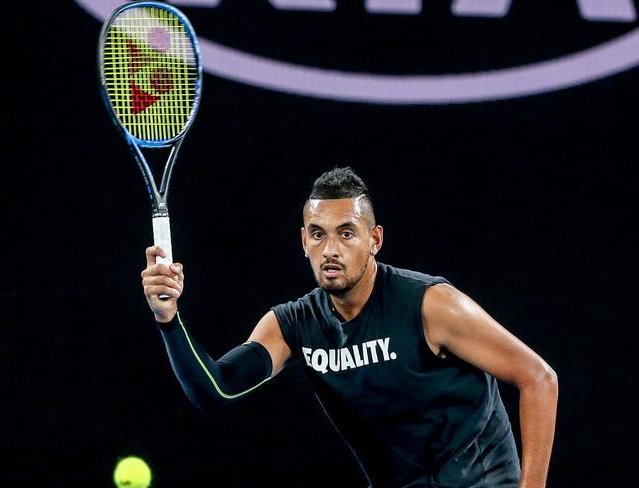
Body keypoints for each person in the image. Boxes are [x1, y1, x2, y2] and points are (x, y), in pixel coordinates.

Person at [141, 167, 558, 488]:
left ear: (374, 239)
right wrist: (168, 319)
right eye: (318, 236)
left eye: (346, 233)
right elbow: (218, 390)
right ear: (303, 241)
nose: (331, 250)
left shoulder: (430, 304)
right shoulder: (294, 324)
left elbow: (538, 378)